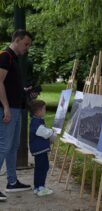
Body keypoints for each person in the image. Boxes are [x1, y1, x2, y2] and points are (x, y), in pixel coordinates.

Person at [0, 29, 33, 201]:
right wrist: (5, 107)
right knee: (4, 146)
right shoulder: (6, 56)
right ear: (17, 40)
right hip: (8, 110)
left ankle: (12, 182)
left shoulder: (13, 58)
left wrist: (24, 92)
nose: (27, 48)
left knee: (13, 146)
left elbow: (9, 84)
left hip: (16, 108)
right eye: (26, 44)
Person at [29, 100, 56, 196]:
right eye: (44, 109)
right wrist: (52, 132)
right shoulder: (36, 122)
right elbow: (43, 132)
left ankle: (37, 187)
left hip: (39, 150)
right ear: (38, 111)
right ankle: (41, 187)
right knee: (43, 167)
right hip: (39, 150)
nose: (45, 110)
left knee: (39, 168)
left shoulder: (36, 120)